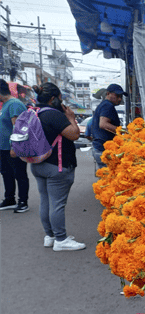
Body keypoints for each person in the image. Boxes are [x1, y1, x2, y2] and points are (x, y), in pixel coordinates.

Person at [30, 82, 86, 251]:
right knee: (57, 204)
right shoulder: (54, 115)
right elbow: (75, 134)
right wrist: (70, 117)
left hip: (38, 164)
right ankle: (61, 240)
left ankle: (50, 236)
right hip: (57, 166)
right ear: (53, 98)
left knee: (45, 201)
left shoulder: (33, 112)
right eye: (61, 99)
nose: (62, 103)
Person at [0, 79, 29, 212]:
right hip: (3, 148)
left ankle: (23, 202)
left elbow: (18, 127)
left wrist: (14, 146)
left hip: (14, 147)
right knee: (6, 173)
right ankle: (9, 199)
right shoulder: (5, 104)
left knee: (19, 174)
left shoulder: (14, 104)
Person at [91, 83, 127, 170]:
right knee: (109, 178)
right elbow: (103, 124)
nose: (119, 99)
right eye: (117, 95)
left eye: (121, 96)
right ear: (108, 94)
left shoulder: (104, 105)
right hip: (103, 149)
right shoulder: (108, 105)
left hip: (99, 148)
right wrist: (123, 131)